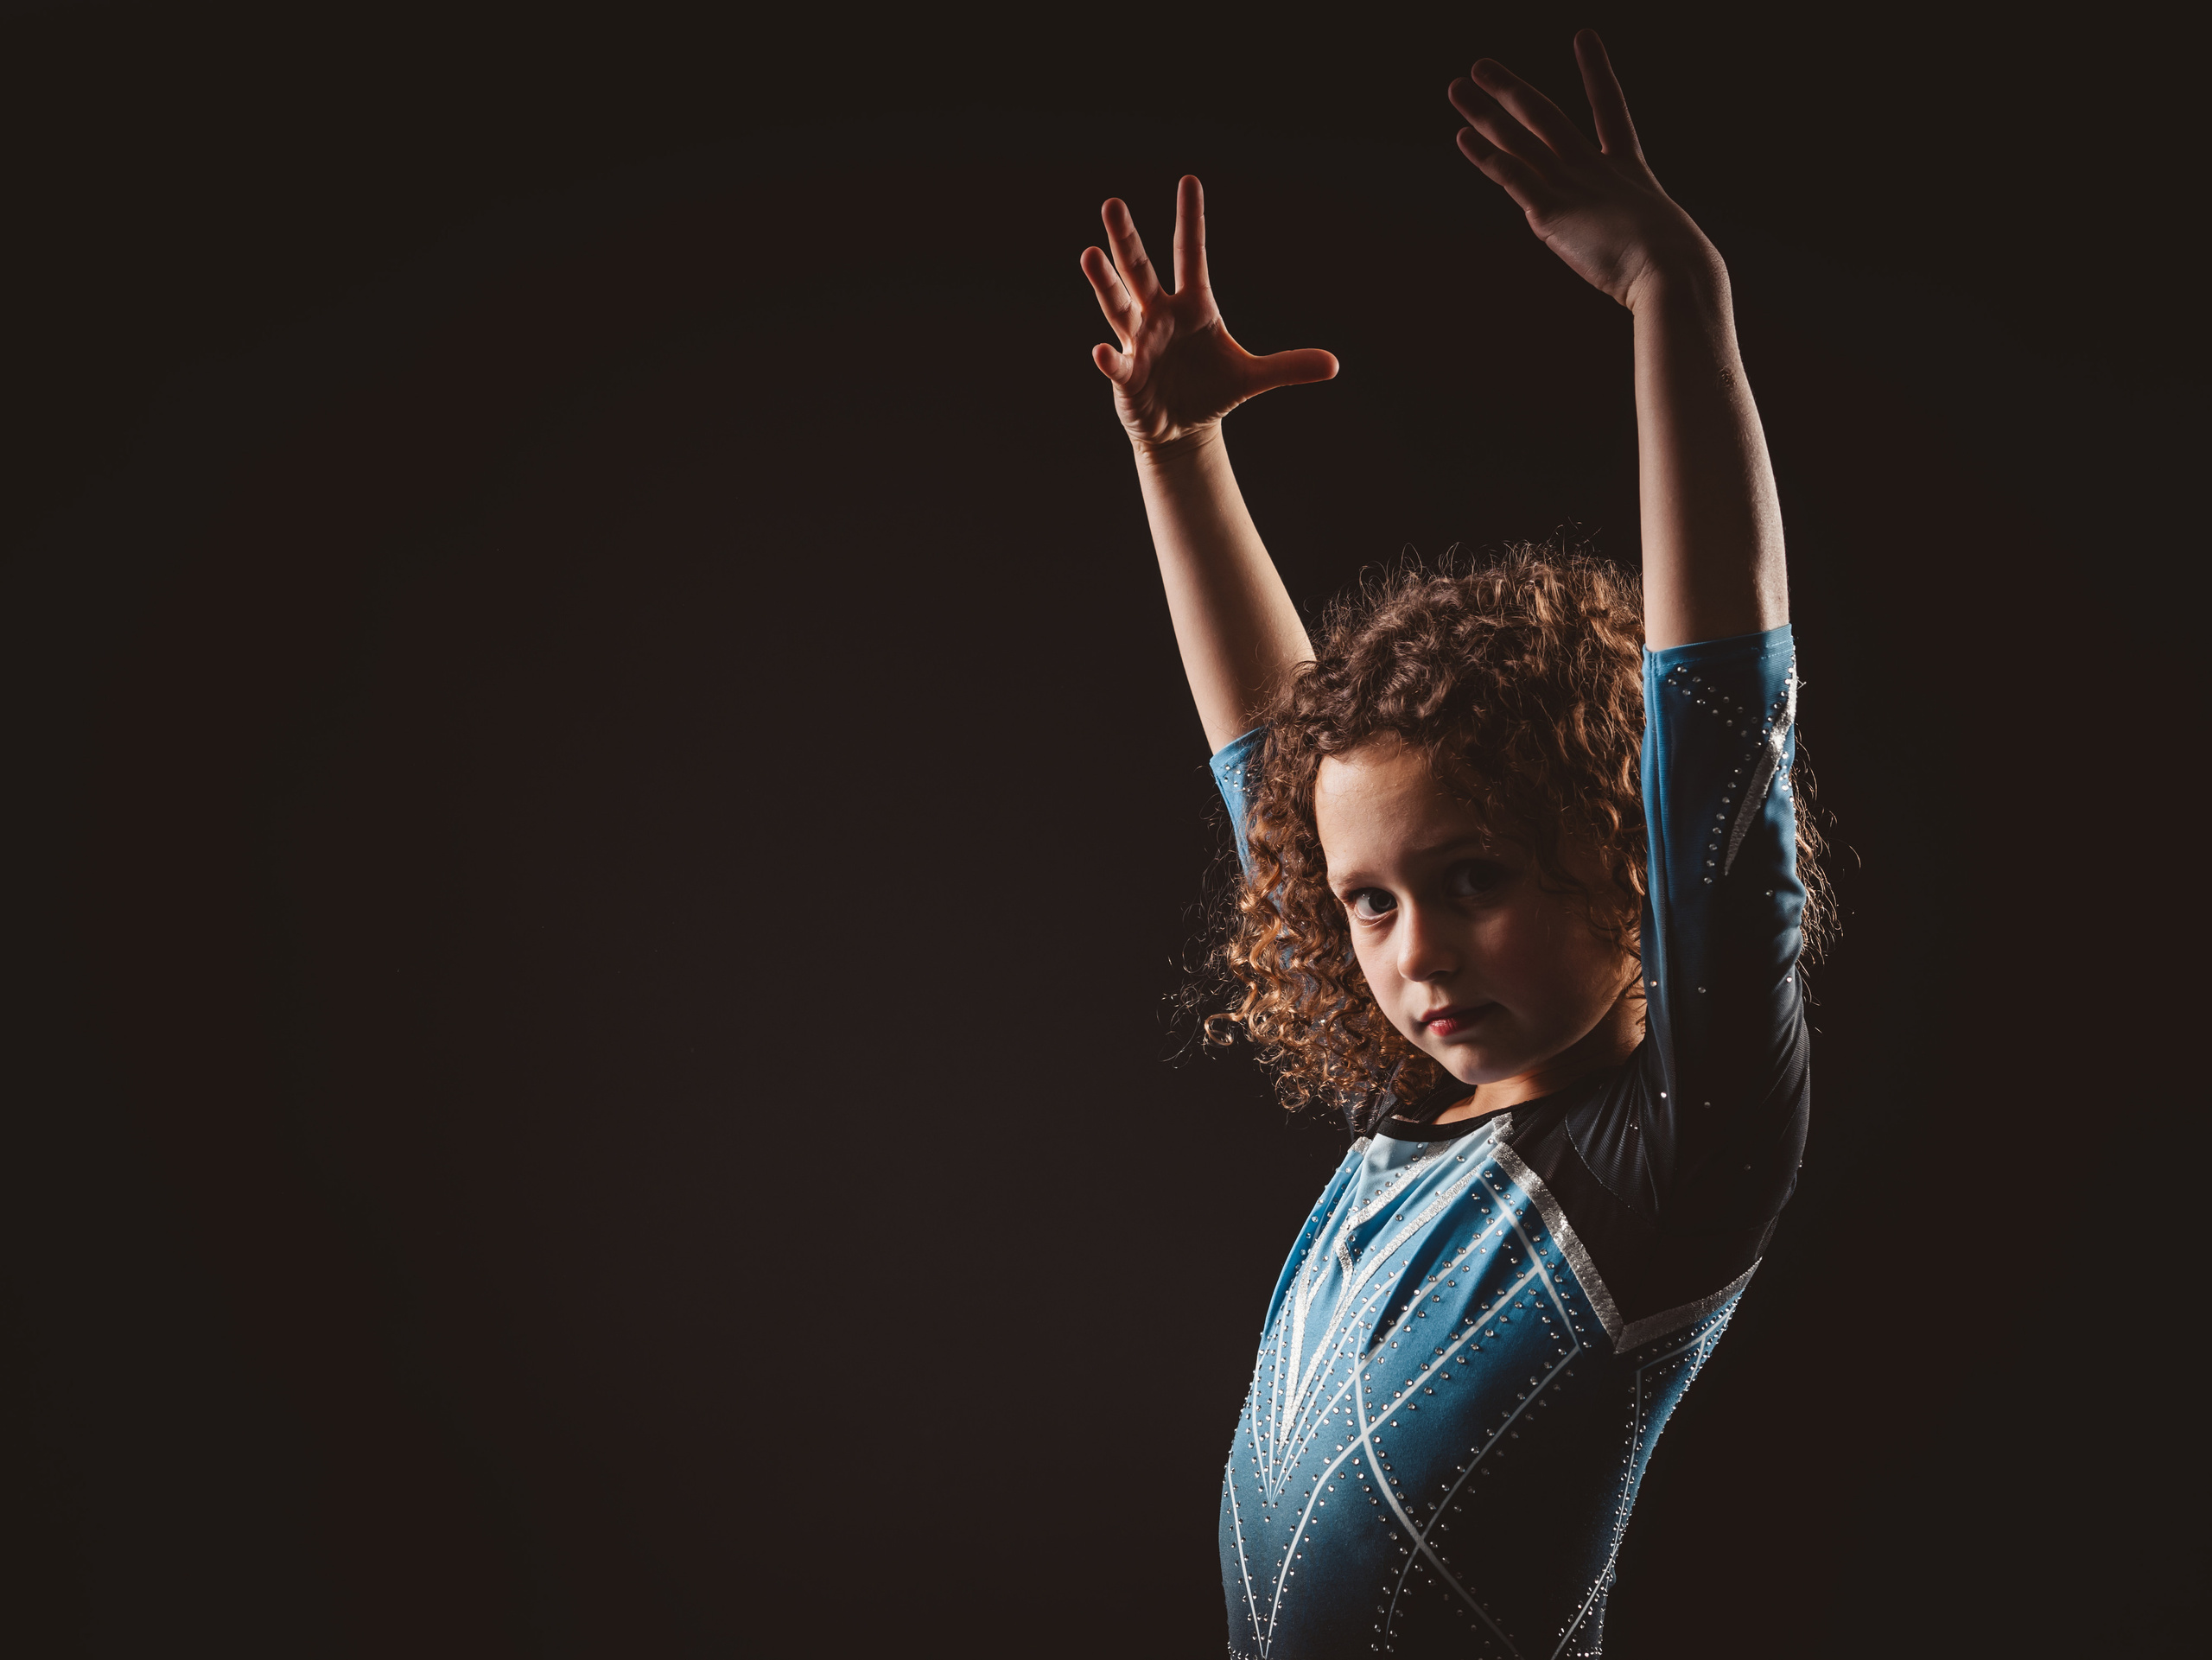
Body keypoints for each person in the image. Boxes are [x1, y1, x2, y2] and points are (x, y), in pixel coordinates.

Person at [1078, 31, 1831, 1657]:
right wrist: (1175, 452)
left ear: (1620, 848)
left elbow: (1717, 730)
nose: (1413, 953)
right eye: (1372, 902)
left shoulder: (1671, 1161)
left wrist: (1670, 294)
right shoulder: (1415, 1094)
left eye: (1475, 878)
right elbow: (1279, 792)